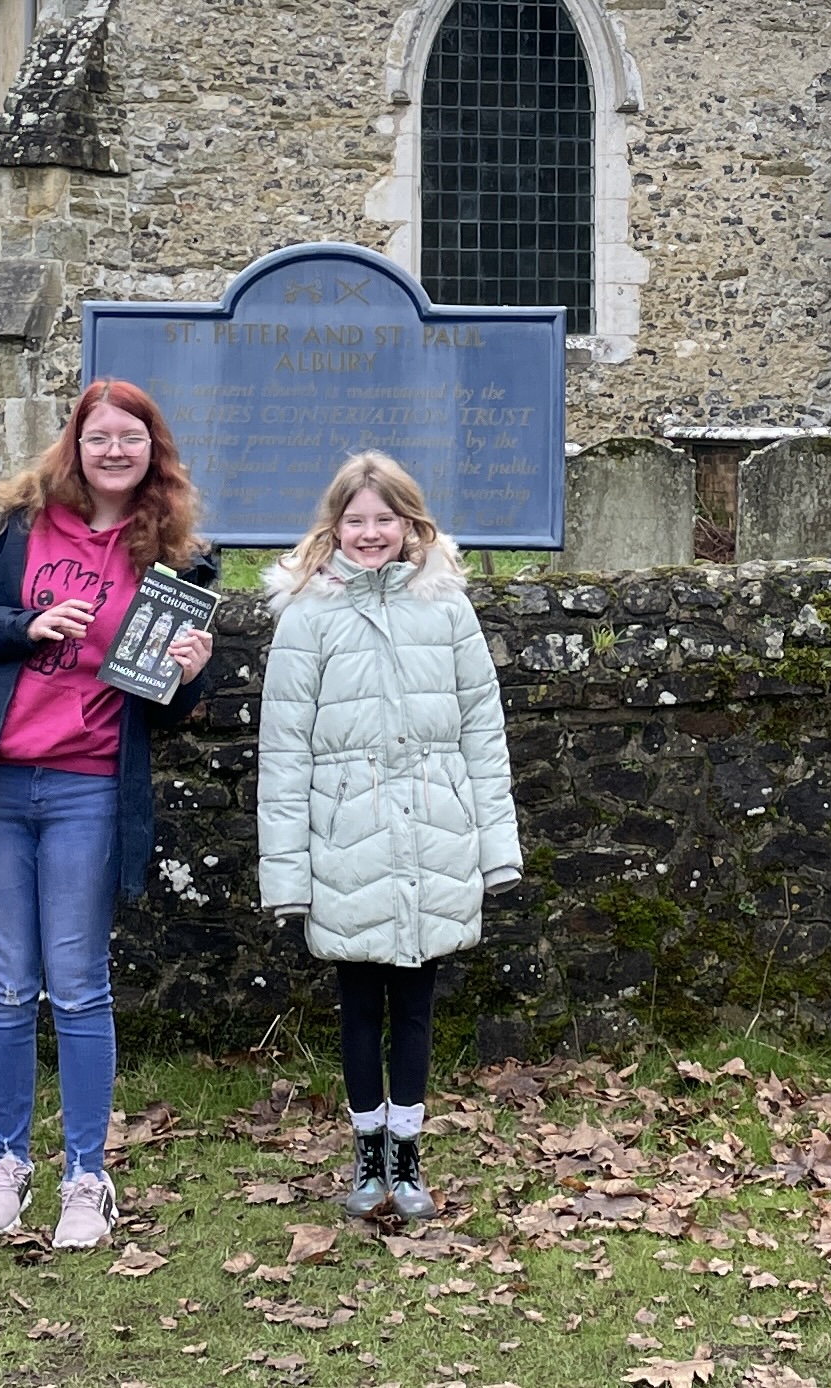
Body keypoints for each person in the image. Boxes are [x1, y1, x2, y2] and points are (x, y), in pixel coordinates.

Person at [0, 380, 223, 1248]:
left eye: (132, 438)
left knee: (80, 984)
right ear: (75, 445)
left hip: (90, 786)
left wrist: (189, 672)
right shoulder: (19, 526)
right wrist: (29, 624)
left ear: (153, 451)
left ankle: (86, 1177)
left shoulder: (176, 556)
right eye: (100, 437)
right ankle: (8, 1164)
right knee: (7, 985)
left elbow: (164, 705)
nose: (115, 451)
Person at [254, 451, 521, 1222]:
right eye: (356, 520)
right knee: (358, 1004)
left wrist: (496, 849)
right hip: (347, 839)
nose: (370, 533)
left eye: (385, 519)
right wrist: (289, 876)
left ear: (410, 524)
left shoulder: (448, 610)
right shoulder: (308, 617)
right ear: (334, 526)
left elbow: (483, 733)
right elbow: (285, 754)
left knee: (415, 1005)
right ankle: (366, 1150)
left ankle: (408, 1153)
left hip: (435, 834)